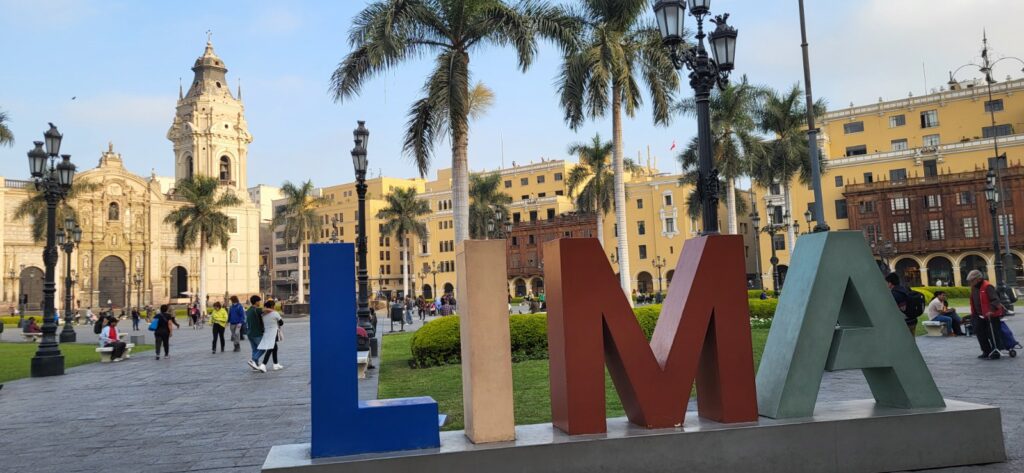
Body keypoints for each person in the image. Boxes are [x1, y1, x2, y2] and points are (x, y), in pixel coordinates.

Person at [967, 270, 1006, 359]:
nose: (970, 282)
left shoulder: (988, 286)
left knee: (992, 334)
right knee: (980, 333)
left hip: (991, 315)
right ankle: (986, 351)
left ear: (979, 279)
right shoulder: (974, 288)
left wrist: (991, 310)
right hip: (978, 314)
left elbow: (996, 300)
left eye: (972, 280)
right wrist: (973, 314)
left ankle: (995, 352)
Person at [257, 299, 284, 371]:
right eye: (274, 306)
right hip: (274, 332)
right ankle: (263, 365)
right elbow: (281, 323)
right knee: (270, 348)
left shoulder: (263, 314)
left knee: (275, 347)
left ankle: (276, 364)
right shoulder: (275, 313)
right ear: (272, 306)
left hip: (267, 332)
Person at [246, 296, 265, 372]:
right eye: (259, 301)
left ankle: (255, 366)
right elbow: (267, 310)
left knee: (255, 349)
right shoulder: (256, 310)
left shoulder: (249, 310)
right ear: (256, 302)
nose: (260, 303)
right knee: (263, 348)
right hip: (256, 333)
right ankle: (253, 360)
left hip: (249, 333)